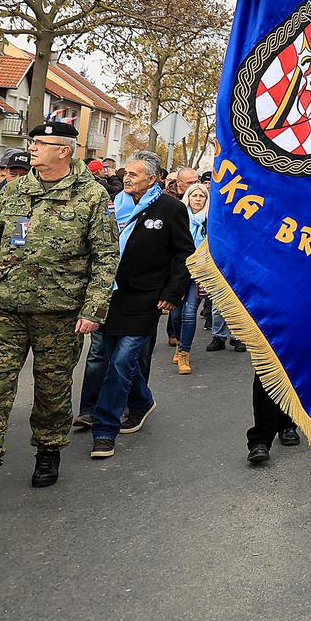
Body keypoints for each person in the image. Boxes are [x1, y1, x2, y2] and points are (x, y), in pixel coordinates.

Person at [0, 120, 116, 513]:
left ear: (64, 150)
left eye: (41, 143)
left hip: (60, 314)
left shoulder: (91, 196)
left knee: (52, 389)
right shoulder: (15, 190)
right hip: (5, 310)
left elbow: (105, 257)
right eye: (32, 142)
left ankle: (48, 451)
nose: (32, 148)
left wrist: (93, 309)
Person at [88, 152, 193, 461]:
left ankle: (104, 428)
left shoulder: (170, 209)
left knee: (122, 361)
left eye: (135, 174)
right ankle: (142, 401)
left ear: (152, 179)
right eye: (126, 174)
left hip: (146, 297)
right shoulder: (112, 204)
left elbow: (183, 253)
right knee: (111, 358)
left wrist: (173, 292)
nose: (127, 178)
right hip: (110, 295)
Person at [172, 182, 210, 374]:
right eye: (194, 195)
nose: (197, 199)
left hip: (199, 271)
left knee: (190, 312)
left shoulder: (210, 221)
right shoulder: (178, 217)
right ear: (188, 197)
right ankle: (178, 343)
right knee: (176, 313)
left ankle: (185, 352)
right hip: (178, 271)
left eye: (201, 196)